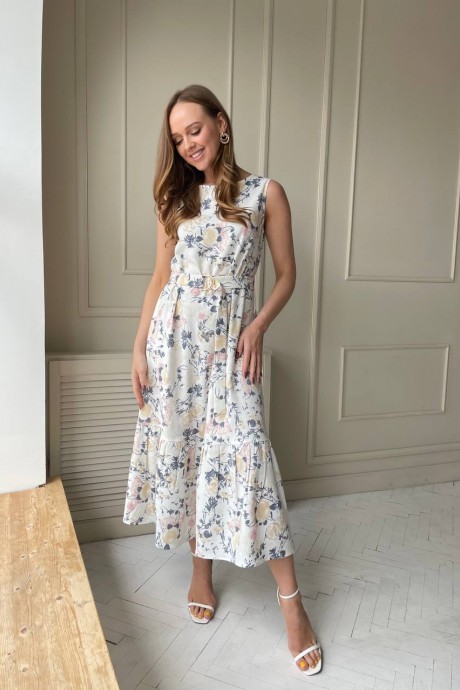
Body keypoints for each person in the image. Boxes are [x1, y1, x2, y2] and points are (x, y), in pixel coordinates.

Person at [122, 84, 322, 675]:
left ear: (221, 123)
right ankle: (200, 570)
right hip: (174, 348)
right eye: (178, 137)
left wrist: (258, 326)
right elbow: (159, 279)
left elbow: (287, 274)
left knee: (248, 456)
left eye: (196, 129)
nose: (188, 144)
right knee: (187, 453)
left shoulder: (265, 193)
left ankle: (292, 605)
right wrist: (139, 348)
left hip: (232, 348)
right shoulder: (175, 200)